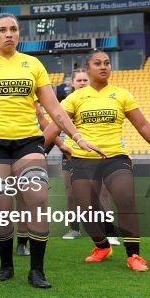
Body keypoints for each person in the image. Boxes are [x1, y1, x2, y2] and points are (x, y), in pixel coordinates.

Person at [0, 13, 104, 288]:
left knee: (37, 198)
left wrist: (77, 136)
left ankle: (37, 270)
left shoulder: (33, 64)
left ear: (19, 34)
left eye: (13, 29)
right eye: (2, 30)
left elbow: (54, 107)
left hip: (28, 141)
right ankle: (6, 266)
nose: (8, 34)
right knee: (2, 209)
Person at [44, 50, 150, 271]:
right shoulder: (75, 98)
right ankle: (102, 246)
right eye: (97, 63)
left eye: (107, 63)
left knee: (125, 199)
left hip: (115, 157)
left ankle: (134, 255)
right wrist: (37, 153)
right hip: (83, 159)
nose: (103, 67)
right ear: (88, 68)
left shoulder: (122, 95)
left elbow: (143, 126)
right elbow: (53, 127)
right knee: (85, 210)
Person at [59, 69, 89, 239]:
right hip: (70, 153)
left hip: (92, 152)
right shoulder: (65, 104)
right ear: (72, 83)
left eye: (86, 80)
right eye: (79, 80)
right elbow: (55, 127)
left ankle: (105, 230)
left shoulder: (97, 102)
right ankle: (74, 229)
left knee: (99, 192)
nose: (83, 83)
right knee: (71, 193)